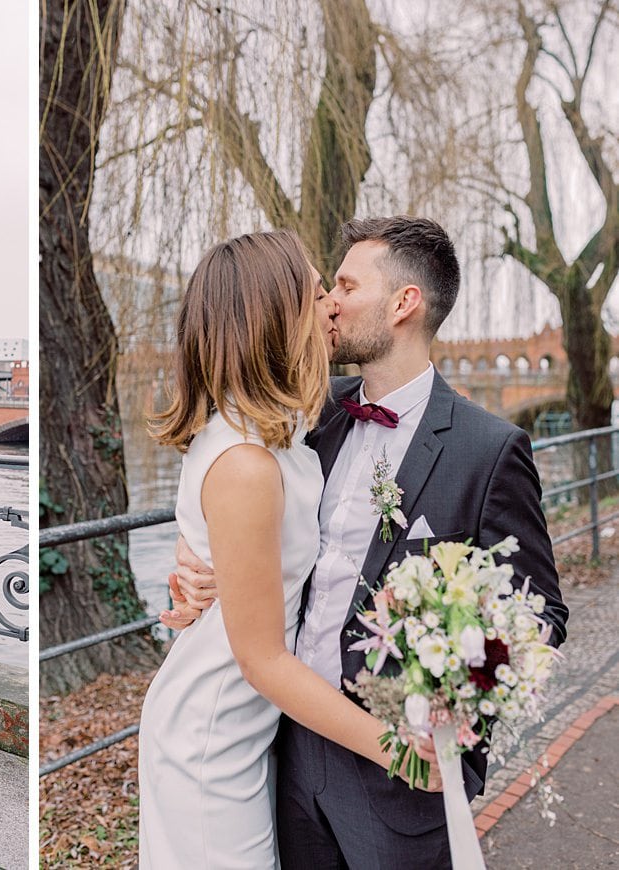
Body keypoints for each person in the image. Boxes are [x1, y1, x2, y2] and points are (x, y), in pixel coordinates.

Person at [165, 216, 569, 868]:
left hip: (400, 777)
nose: (330, 302)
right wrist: (197, 568)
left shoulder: (487, 450)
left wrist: (456, 677)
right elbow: (237, 510)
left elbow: (541, 616)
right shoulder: (307, 416)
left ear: (403, 303)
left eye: (346, 285)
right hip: (285, 749)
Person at [137, 228, 440, 869]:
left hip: (252, 731)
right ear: (274, 316)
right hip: (211, 738)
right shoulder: (248, 460)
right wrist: (401, 750)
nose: (331, 302)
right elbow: (263, 660)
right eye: (315, 289)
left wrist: (208, 576)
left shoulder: (279, 433)